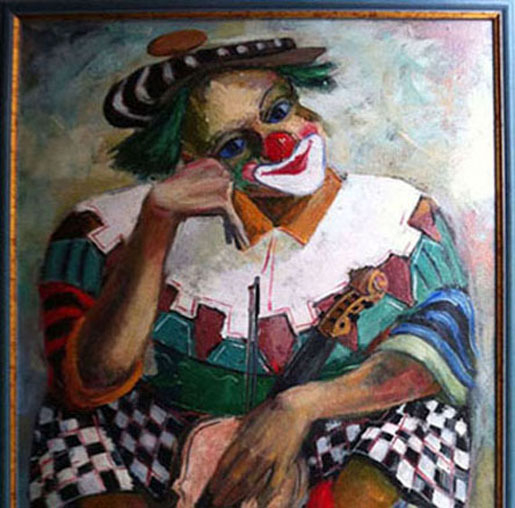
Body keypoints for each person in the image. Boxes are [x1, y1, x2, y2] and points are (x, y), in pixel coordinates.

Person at [30, 30, 477, 508]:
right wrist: (157, 225)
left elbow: (439, 354)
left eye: (278, 111)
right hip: (172, 462)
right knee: (67, 429)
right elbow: (92, 383)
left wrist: (299, 406)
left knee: (432, 423)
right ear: (193, 162)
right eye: (234, 145)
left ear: (304, 107)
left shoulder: (400, 218)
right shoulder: (104, 231)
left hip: (330, 448)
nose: (276, 144)